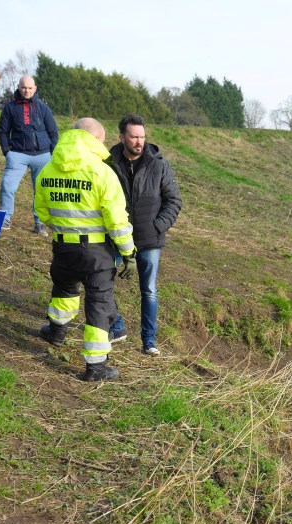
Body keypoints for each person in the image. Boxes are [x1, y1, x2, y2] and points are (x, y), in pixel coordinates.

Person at [35, 118, 135, 382]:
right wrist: (128, 253)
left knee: (64, 290)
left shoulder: (48, 169)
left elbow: (42, 211)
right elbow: (117, 221)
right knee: (99, 305)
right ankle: (96, 367)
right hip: (96, 251)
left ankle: (56, 333)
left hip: (62, 246)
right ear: (98, 140)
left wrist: (64, 228)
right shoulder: (102, 172)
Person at [106, 114, 182, 356]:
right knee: (102, 282)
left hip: (150, 241)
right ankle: (117, 326)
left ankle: (148, 341)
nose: (139, 141)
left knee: (149, 290)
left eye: (142, 136)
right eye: (133, 136)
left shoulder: (159, 164)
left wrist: (158, 226)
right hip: (117, 237)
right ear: (122, 137)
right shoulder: (108, 163)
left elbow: (174, 200)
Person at [0, 76, 58, 235]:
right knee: (7, 186)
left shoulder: (43, 108)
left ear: (35, 88)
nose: (27, 90)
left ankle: (39, 223)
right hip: (17, 154)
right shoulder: (9, 108)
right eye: (24, 87)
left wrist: (52, 153)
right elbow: (3, 131)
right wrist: (7, 151)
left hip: (43, 155)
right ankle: (5, 219)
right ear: (19, 87)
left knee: (41, 191)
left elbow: (53, 132)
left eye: (30, 88)